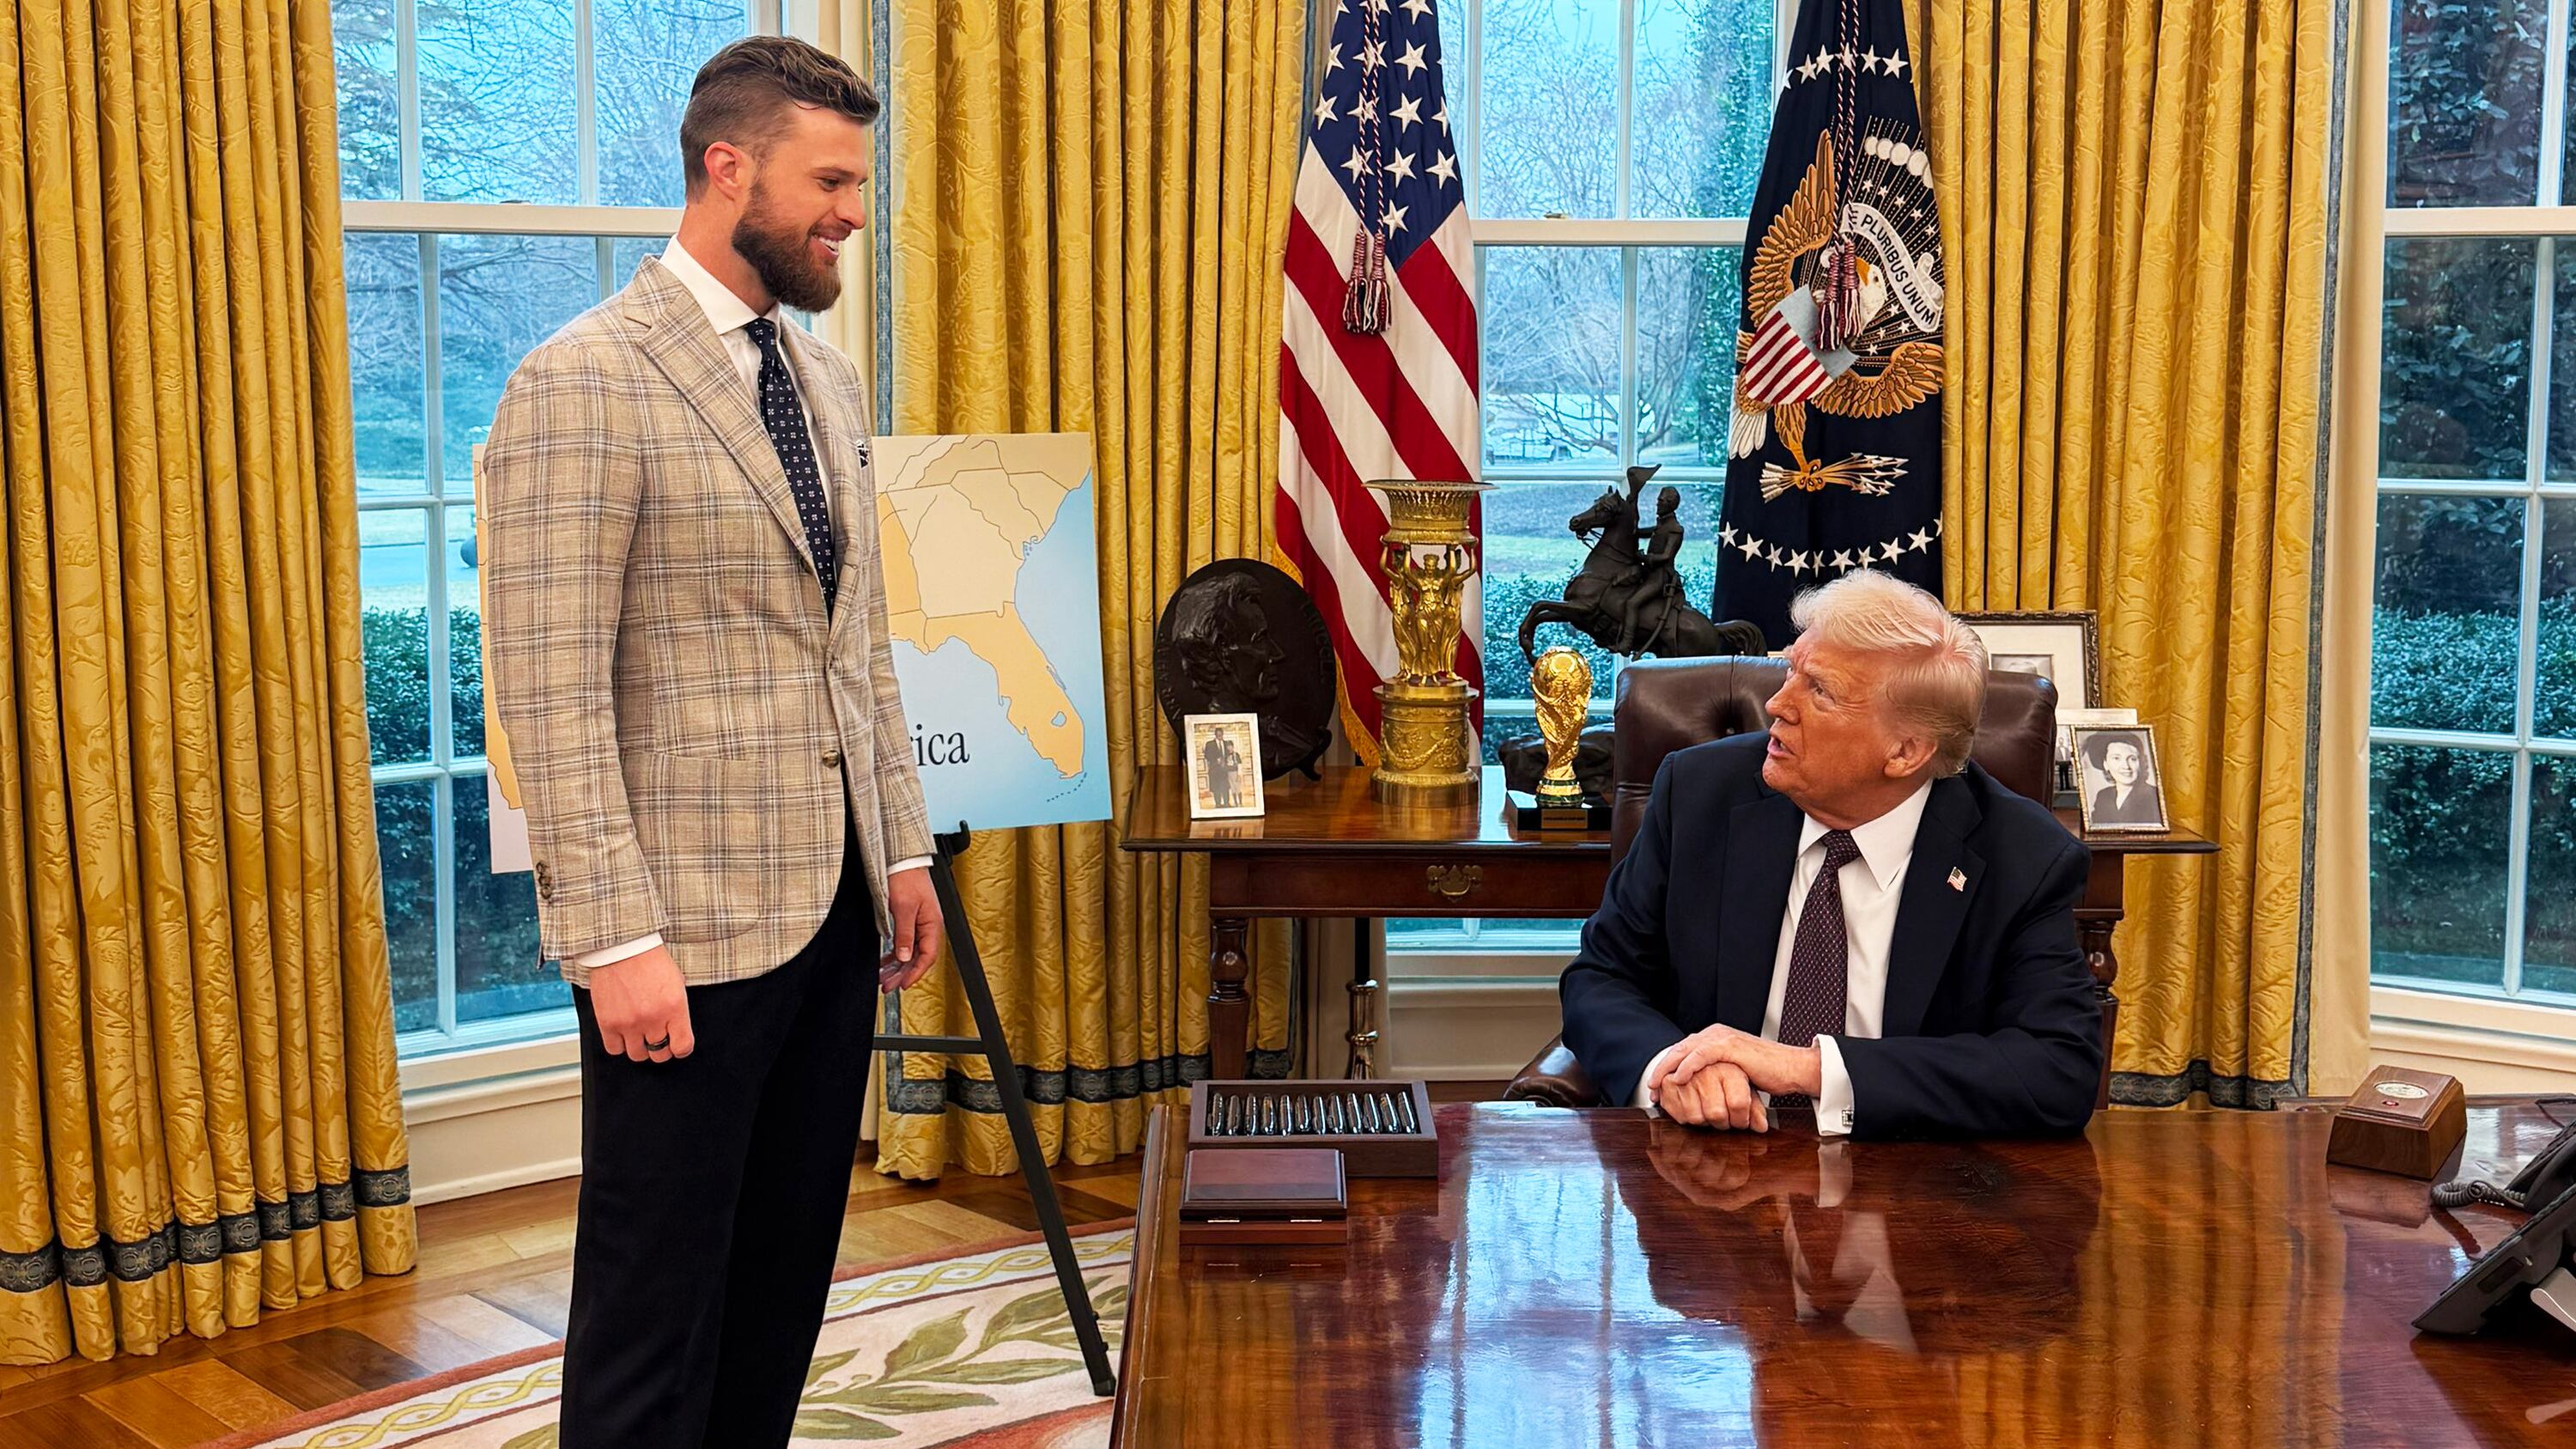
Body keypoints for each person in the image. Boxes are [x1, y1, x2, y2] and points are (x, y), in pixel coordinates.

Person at [481, 37, 942, 1449]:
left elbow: (854, 643)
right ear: (727, 167)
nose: (853, 209)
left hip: (827, 914)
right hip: (677, 933)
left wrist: (904, 850)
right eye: (831, 179)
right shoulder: (583, 381)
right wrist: (612, 939)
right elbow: (547, 695)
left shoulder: (822, 378)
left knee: (782, 1272)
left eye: (858, 181)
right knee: (653, 1293)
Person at [1558, 569, 2101, 1140]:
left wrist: (1810, 1069)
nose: (1775, 703)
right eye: (1791, 669)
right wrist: (1672, 1070)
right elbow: (1602, 977)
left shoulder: (2023, 857)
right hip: (1710, 1166)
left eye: (1819, 690)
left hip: (1910, 1184)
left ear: (1906, 751)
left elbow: (2057, 1069)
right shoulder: (1699, 795)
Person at [1613, 487, 1686, 654]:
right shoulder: (1660, 525)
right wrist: (1634, 502)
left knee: (1632, 603)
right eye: (1658, 500)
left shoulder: (1675, 529)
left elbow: (1667, 556)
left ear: (1670, 504)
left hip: (1660, 576)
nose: (1657, 503)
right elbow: (1636, 532)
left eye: (1661, 501)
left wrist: (1646, 558)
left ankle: (1626, 643)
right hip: (1648, 571)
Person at [2083, 731, 2163, 827]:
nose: (2126, 766)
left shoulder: (2153, 796)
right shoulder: (2103, 796)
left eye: (2132, 759)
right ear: (2105, 764)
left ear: (2140, 763)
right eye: (2116, 758)